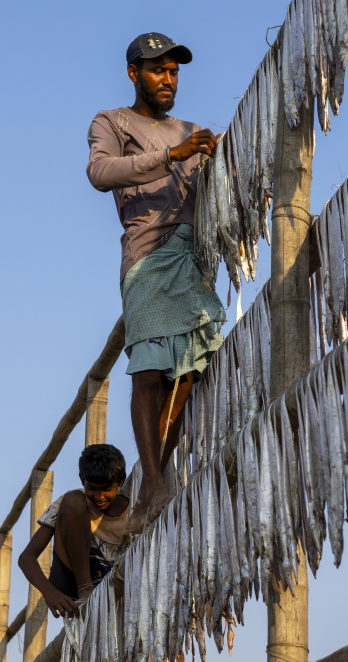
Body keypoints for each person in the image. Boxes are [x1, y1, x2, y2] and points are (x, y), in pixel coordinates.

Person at [86, 32, 226, 533]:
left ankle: (153, 478)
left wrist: (217, 157)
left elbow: (213, 184)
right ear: (133, 73)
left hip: (190, 259)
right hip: (146, 255)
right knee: (148, 371)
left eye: (174, 71)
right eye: (157, 70)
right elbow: (100, 172)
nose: (167, 79)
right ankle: (153, 482)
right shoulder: (113, 122)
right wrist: (172, 155)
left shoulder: (189, 130)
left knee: (190, 366)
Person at [18, 444, 129, 618]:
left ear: (120, 482)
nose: (99, 497)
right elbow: (26, 558)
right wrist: (49, 593)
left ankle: (96, 594)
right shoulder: (69, 503)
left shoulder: (132, 512)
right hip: (72, 587)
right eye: (92, 488)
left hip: (113, 586)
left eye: (107, 489)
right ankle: (86, 589)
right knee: (73, 500)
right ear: (81, 479)